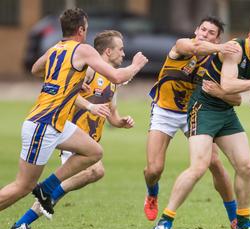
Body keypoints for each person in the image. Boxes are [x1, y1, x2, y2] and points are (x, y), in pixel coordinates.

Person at [0, 8, 147, 216]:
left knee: (95, 152)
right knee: (22, 187)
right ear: (80, 29)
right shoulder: (84, 50)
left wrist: (69, 82)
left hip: (56, 123)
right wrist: (136, 65)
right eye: (86, 28)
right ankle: (41, 190)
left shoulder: (55, 49)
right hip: (44, 123)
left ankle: (47, 187)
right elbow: (116, 76)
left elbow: (35, 70)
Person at [153, 15, 250, 229]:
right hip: (203, 108)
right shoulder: (236, 50)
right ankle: (164, 222)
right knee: (198, 167)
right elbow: (228, 84)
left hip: (226, 112)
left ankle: (243, 221)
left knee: (246, 166)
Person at [145, 16, 241, 229]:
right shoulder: (182, 45)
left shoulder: (216, 62)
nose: (204, 34)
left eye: (210, 33)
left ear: (217, 39)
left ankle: (235, 218)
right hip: (164, 110)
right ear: (196, 30)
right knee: (154, 170)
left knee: (214, 162)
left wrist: (225, 90)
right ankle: (152, 193)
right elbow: (196, 45)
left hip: (193, 113)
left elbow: (236, 97)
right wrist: (223, 47)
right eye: (203, 29)